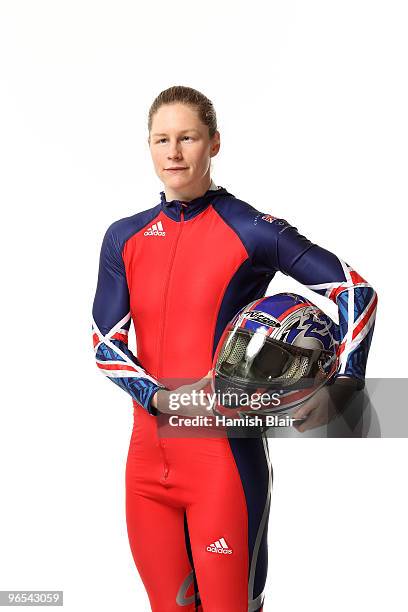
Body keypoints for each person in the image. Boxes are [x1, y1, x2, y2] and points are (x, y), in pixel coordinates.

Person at [92, 86, 377, 611]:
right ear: (149, 147)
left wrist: (346, 381)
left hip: (223, 462)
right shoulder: (123, 237)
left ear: (214, 143)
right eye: (162, 139)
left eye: (188, 138)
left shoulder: (249, 228)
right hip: (145, 470)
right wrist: (159, 399)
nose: (173, 153)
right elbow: (105, 345)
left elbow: (356, 292)